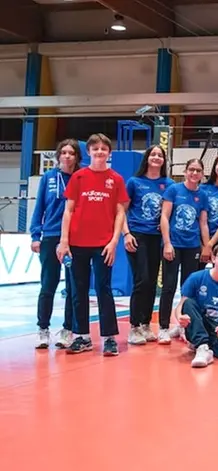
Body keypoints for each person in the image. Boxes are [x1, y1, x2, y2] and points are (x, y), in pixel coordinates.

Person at [56, 133, 129, 356]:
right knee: (78, 290)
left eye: (103, 149)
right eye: (95, 149)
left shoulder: (116, 179)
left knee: (103, 289)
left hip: (103, 244)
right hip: (77, 243)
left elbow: (120, 212)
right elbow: (68, 211)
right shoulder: (78, 177)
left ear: (109, 153)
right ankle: (82, 336)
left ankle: (109, 338)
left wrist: (114, 241)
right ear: (88, 152)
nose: (99, 152)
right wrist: (64, 241)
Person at [123, 144, 174, 345]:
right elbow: (122, 211)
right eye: (153, 154)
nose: (156, 157)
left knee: (153, 281)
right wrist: (126, 234)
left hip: (157, 237)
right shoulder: (134, 182)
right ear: (147, 158)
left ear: (163, 160)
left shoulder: (168, 184)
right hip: (137, 235)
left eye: (160, 155)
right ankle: (134, 326)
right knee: (141, 279)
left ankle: (145, 323)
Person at [31, 138, 80, 349]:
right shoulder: (48, 178)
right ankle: (43, 329)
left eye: (71, 153)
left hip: (76, 238)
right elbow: (39, 207)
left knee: (73, 286)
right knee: (48, 285)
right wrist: (35, 235)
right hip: (51, 236)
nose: (67, 156)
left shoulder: (81, 177)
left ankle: (68, 329)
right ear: (58, 155)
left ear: (77, 157)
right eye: (64, 152)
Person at [159, 158, 210, 344]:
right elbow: (164, 217)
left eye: (198, 170)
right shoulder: (174, 190)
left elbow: (203, 223)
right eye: (191, 170)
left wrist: (207, 246)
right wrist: (167, 243)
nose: (194, 173)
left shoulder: (202, 196)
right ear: (185, 171)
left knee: (188, 289)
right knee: (169, 285)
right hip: (174, 245)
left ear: (202, 174)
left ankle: (184, 325)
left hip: (192, 247)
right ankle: (164, 327)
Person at [176, 243, 218, 368]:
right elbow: (181, 305)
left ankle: (199, 342)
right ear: (213, 258)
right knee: (188, 303)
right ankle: (202, 347)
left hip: (217, 326)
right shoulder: (196, 277)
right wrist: (180, 317)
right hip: (199, 320)